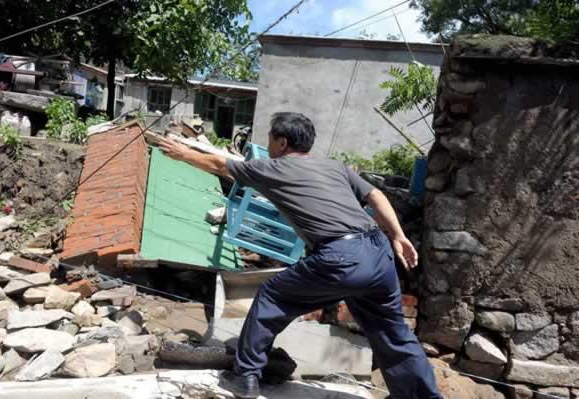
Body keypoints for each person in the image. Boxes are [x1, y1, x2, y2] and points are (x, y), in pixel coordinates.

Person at [159, 112, 442, 399]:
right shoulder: (335, 167)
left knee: (272, 296)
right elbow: (376, 196)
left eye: (270, 138)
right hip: (379, 253)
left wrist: (183, 153)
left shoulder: (273, 168)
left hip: (341, 256)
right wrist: (398, 235)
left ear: (281, 142)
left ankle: (246, 376)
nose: (267, 144)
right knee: (393, 331)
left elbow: (221, 165)